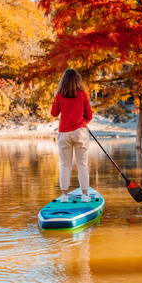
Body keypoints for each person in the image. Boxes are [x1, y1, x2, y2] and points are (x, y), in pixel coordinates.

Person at [51, 69, 93, 203]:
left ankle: (64, 196)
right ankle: (85, 195)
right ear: (77, 81)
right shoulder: (82, 95)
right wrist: (82, 123)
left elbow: (54, 113)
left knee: (65, 165)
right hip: (80, 132)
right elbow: (89, 116)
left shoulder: (59, 96)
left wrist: (55, 97)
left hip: (64, 133)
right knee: (82, 164)